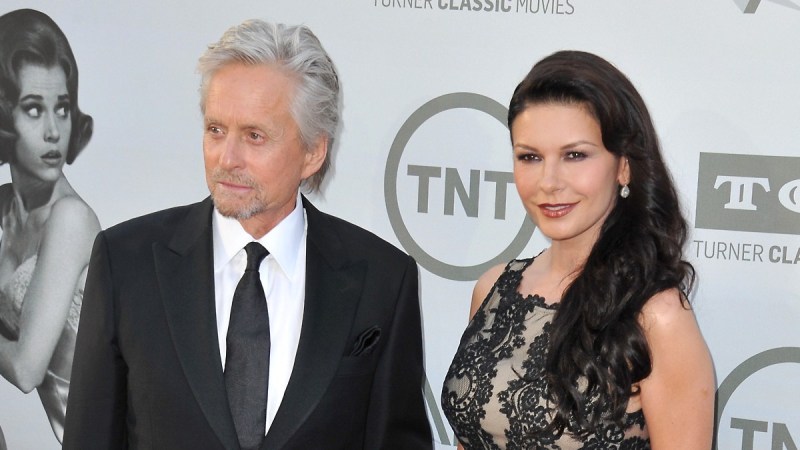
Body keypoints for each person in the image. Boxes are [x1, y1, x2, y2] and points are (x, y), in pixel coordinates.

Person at [63, 18, 432, 450]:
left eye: (255, 136)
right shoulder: (126, 261)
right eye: (216, 130)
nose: (227, 158)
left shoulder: (383, 280)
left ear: (313, 152)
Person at [441, 50, 715, 449]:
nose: (549, 181)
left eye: (575, 155)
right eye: (530, 157)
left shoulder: (658, 316)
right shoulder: (493, 288)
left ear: (624, 165)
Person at [0, 8, 100, 444]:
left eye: (61, 108)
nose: (54, 131)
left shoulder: (71, 220)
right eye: (33, 109)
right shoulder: (4, 210)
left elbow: (26, 370)